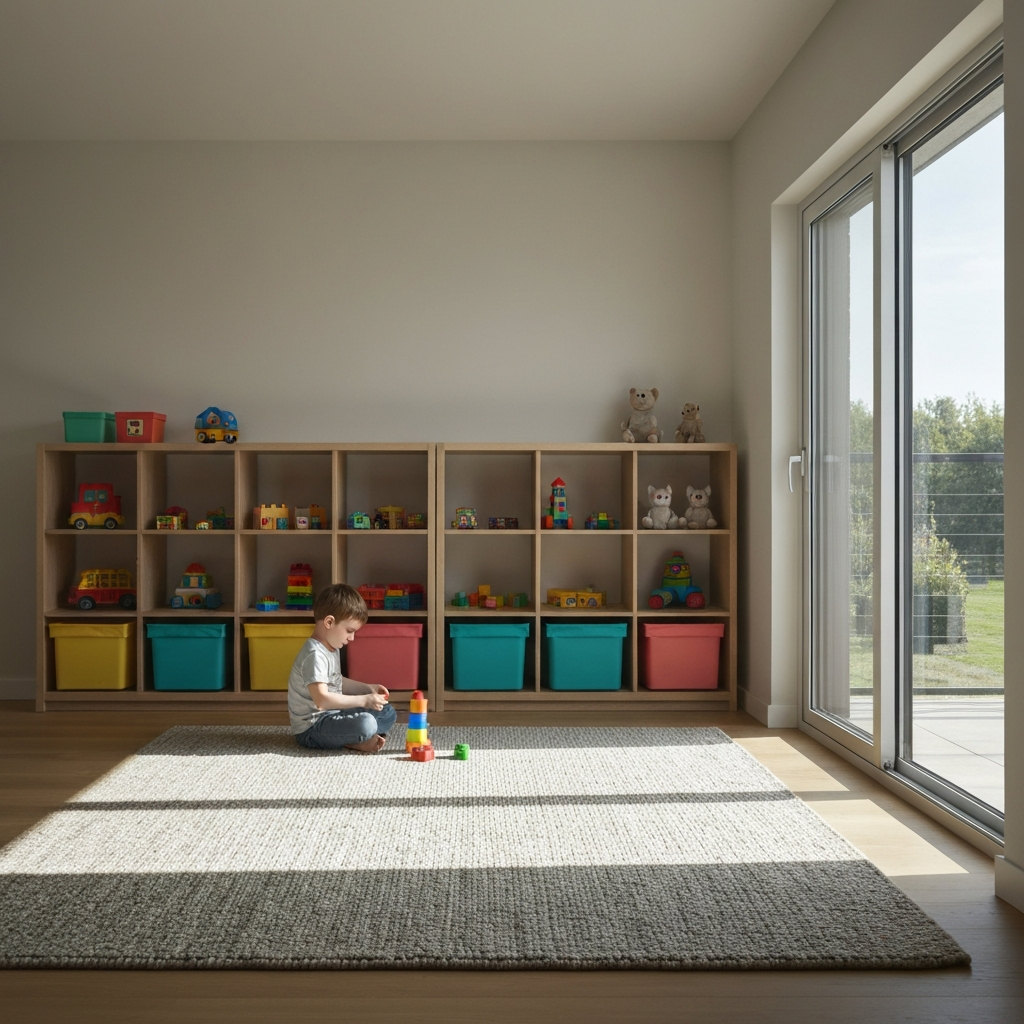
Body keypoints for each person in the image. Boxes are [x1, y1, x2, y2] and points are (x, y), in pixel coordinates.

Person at [288, 583, 395, 752]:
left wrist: (368, 689)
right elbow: (322, 701)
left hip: (335, 714)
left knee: (387, 711)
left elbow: (337, 681)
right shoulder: (314, 655)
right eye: (349, 631)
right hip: (313, 728)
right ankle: (353, 740)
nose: (352, 638)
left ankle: (355, 737)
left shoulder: (332, 647)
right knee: (366, 723)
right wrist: (364, 700)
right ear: (329, 622)